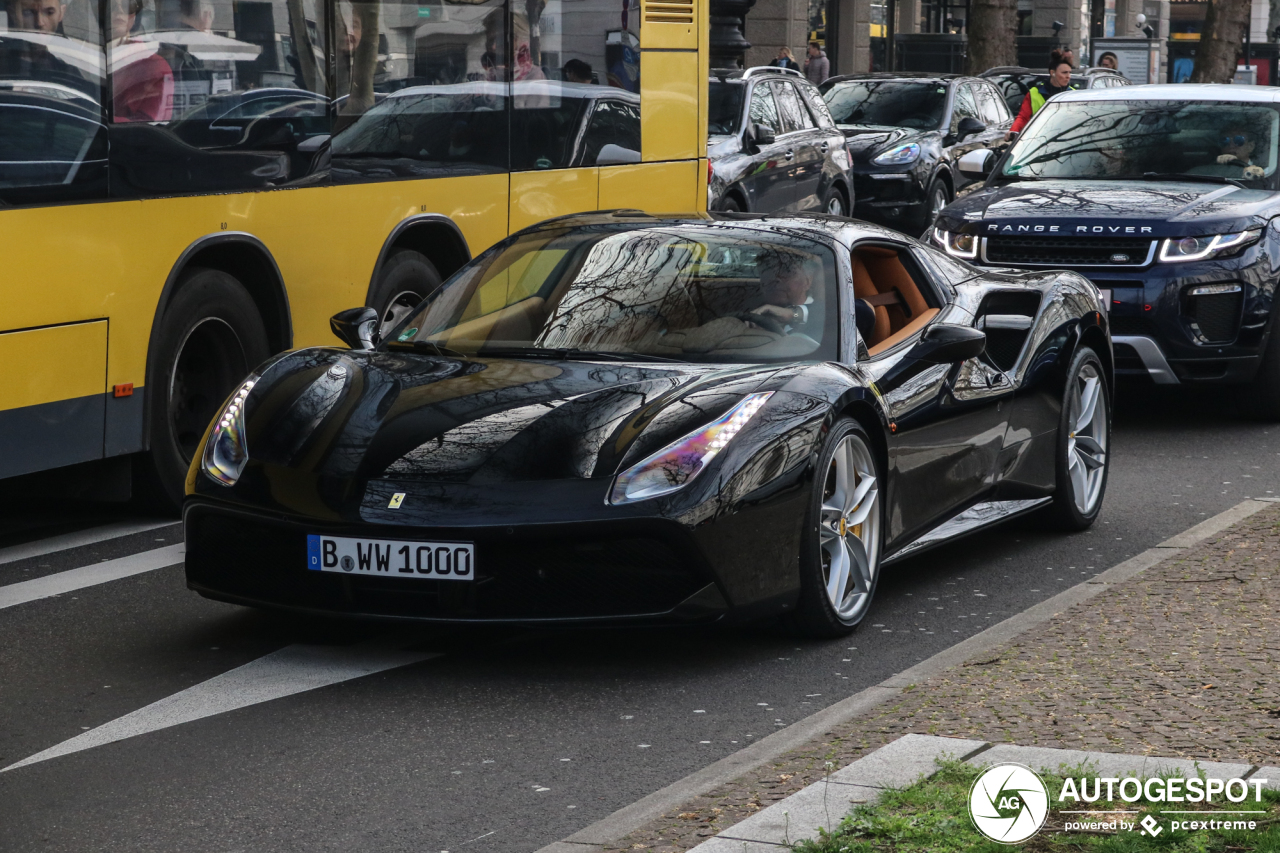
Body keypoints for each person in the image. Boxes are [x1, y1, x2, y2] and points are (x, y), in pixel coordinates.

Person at [109, 0, 174, 122]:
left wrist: (95, 117)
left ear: (133, 15)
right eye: (111, 6)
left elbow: (146, 128)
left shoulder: (154, 66)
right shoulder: (79, 56)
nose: (120, 11)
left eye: (126, 6)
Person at [1007, 53, 1071, 139]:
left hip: (1067, 139)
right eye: (1064, 73)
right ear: (1053, 73)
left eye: (1069, 73)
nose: (1068, 76)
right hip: (1038, 140)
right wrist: (1013, 131)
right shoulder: (1034, 93)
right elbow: (1023, 117)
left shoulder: (1073, 94)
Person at [1189, 127, 1266, 179]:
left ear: (1250, 146)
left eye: (1238, 141)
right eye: (1224, 141)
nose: (1231, 146)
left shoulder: (1268, 170)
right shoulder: (1204, 171)